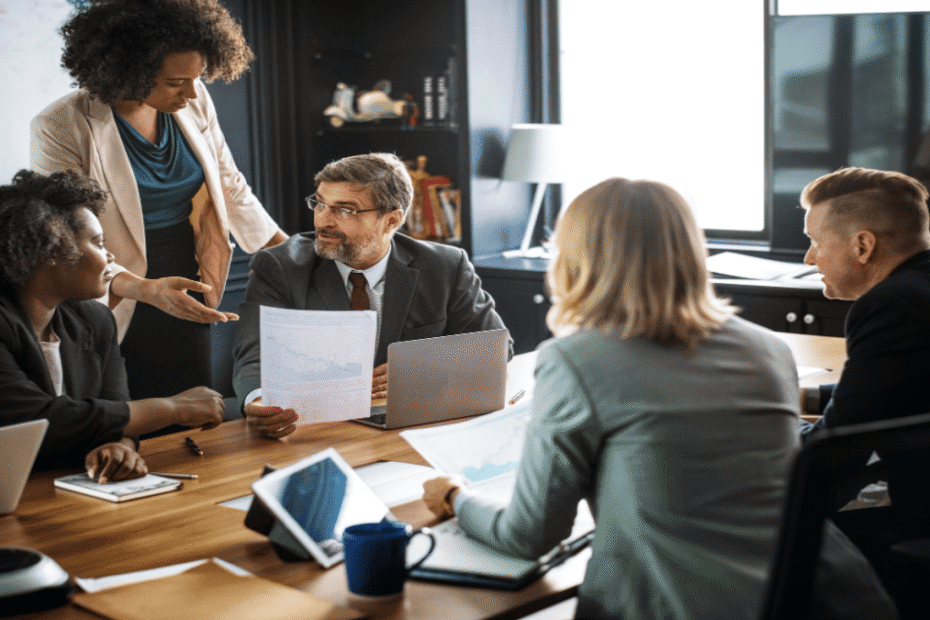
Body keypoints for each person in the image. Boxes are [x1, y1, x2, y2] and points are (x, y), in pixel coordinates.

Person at [422, 177, 895, 620]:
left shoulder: (576, 359)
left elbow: (529, 535)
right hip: (821, 595)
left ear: (574, 257)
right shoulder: (768, 347)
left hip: (680, 604)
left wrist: (455, 496)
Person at [30, 0, 287, 402]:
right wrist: (146, 289)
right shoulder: (61, 124)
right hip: (107, 281)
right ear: (127, 70)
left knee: (193, 402)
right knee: (128, 411)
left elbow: (230, 185)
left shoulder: (194, 97)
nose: (191, 91)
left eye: (197, 77)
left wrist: (292, 255)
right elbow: (67, 235)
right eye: (174, 82)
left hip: (184, 272)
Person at [232, 153, 511, 438]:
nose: (323, 221)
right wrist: (258, 400)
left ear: (391, 220)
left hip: (412, 428)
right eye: (319, 204)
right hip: (313, 429)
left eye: (345, 210)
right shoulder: (280, 266)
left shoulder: (444, 266)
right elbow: (254, 354)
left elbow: (496, 347)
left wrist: (422, 371)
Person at [0, 170, 225, 482]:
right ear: (52, 250)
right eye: (97, 241)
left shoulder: (95, 319)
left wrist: (118, 447)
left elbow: (117, 411)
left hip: (76, 492)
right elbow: (40, 420)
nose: (110, 256)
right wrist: (174, 408)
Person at [798, 166, 930, 561]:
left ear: (862, 246)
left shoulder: (890, 304)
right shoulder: (919, 289)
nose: (808, 258)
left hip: (913, 510)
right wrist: (809, 396)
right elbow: (900, 388)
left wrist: (762, 433)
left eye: (815, 241)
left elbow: (839, 449)